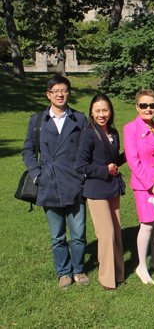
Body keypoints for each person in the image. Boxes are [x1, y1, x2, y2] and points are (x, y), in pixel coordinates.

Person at [22, 74, 89, 289]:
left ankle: (78, 270)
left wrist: (83, 175)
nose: (60, 95)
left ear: (69, 93)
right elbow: (28, 150)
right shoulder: (38, 120)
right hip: (49, 184)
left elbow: (88, 149)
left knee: (78, 234)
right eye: (56, 91)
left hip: (75, 183)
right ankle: (64, 273)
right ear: (48, 94)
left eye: (64, 91)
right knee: (58, 236)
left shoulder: (79, 118)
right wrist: (36, 175)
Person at [76, 94, 127, 290]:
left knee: (116, 233)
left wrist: (131, 152)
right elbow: (81, 165)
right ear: (91, 112)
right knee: (106, 233)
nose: (101, 114)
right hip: (96, 189)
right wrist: (104, 170)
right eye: (97, 111)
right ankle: (107, 279)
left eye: (105, 110)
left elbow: (114, 159)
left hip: (112, 187)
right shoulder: (88, 133)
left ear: (111, 111)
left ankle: (119, 274)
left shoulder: (113, 132)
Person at [124, 89, 154, 285]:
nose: (148, 109)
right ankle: (141, 265)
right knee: (147, 224)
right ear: (137, 107)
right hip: (145, 186)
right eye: (144, 105)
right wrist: (151, 185)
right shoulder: (131, 128)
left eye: (152, 105)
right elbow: (133, 161)